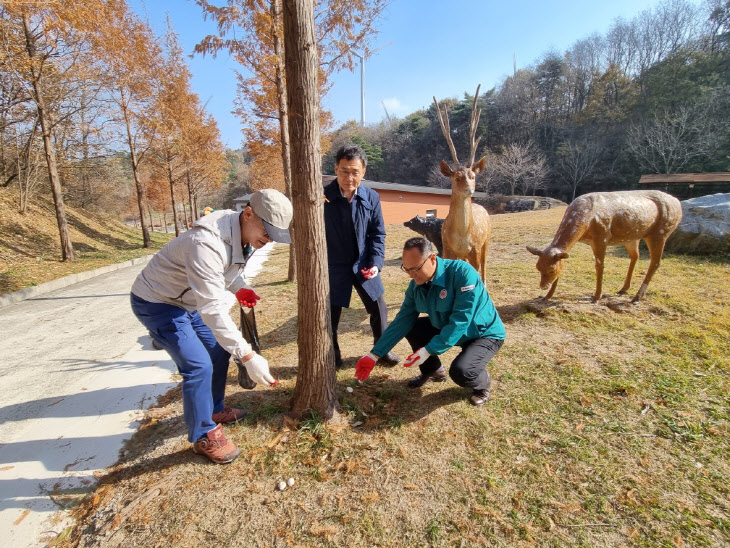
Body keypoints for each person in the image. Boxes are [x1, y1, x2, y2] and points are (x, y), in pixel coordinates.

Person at [130, 189, 292, 464]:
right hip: (158, 303)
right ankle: (203, 434)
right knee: (197, 366)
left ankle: (213, 409)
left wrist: (240, 288)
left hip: (188, 301)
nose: (268, 240)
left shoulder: (236, 230)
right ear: (249, 214)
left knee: (218, 351)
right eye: (267, 231)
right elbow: (213, 309)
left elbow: (226, 270)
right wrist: (248, 355)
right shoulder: (205, 243)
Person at [354, 237, 506, 406]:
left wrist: (428, 350)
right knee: (413, 327)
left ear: (432, 258)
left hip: (482, 333)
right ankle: (433, 371)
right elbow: (402, 321)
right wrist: (374, 354)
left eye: (416, 268)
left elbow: (461, 319)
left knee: (461, 371)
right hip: (447, 327)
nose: (412, 275)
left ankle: (482, 383)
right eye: (407, 269)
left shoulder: (462, 273)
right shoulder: (416, 286)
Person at [324, 144, 399, 370]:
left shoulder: (371, 197)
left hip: (363, 264)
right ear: (336, 168)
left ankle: (382, 350)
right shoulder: (322, 197)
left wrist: (375, 264)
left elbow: (377, 233)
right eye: (344, 170)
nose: (349, 177)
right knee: (330, 314)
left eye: (355, 172)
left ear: (363, 172)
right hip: (332, 265)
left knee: (379, 306)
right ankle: (332, 355)